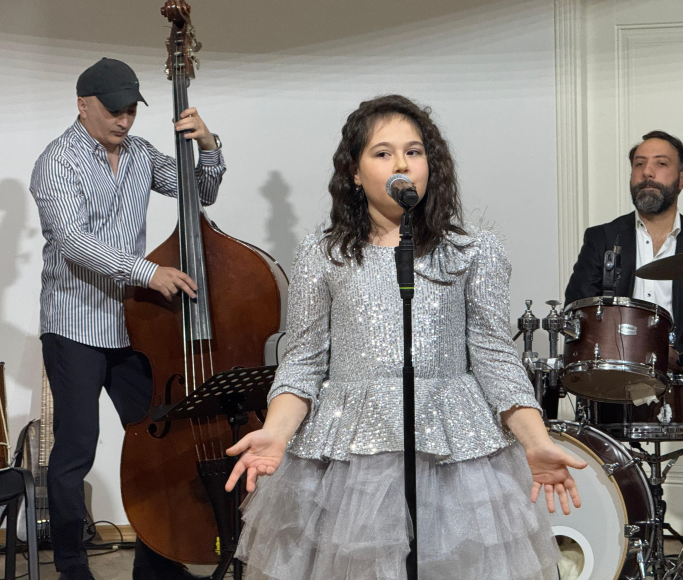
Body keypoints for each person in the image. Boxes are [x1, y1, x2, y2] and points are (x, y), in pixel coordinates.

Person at [224, 95, 587, 580]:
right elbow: (303, 360)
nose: (402, 164)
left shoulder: (472, 251)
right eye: (383, 153)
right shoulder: (324, 254)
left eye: (414, 152)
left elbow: (496, 358)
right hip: (351, 453)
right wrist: (276, 431)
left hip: (452, 451)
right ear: (354, 172)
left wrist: (535, 441)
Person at [30, 58, 224, 580]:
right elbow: (74, 242)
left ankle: (156, 563)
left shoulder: (140, 154)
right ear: (83, 105)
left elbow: (199, 193)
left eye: (131, 111)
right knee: (75, 451)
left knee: (160, 440)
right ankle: (72, 569)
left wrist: (209, 146)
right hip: (73, 325)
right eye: (114, 110)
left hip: (131, 325)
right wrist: (148, 271)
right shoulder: (57, 162)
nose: (124, 120)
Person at [564, 130, 683, 579]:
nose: (647, 172)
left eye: (660, 164)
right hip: (615, 378)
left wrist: (682, 357)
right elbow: (577, 305)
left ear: (682, 178)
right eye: (639, 164)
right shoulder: (602, 239)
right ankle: (610, 551)